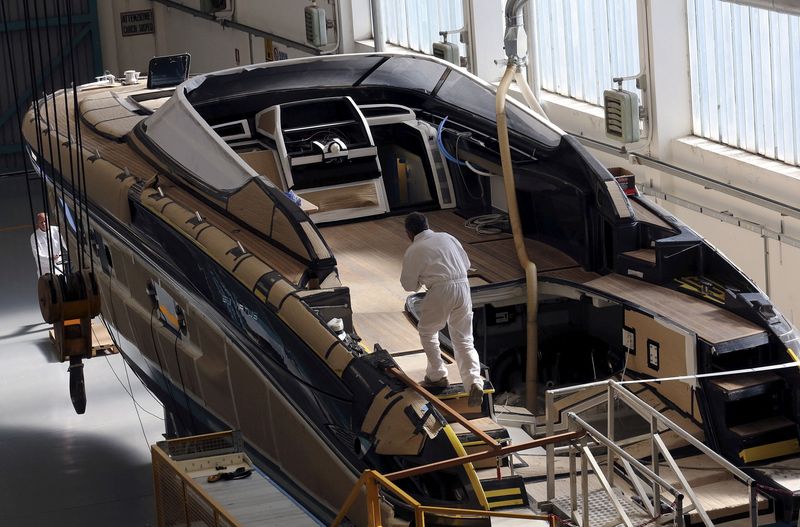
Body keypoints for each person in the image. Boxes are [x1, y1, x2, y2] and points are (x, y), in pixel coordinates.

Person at [400, 212, 484, 407]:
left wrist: (423, 278)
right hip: (463, 287)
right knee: (464, 338)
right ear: (428, 225)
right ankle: (473, 381)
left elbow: (408, 286)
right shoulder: (448, 237)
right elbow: (466, 264)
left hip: (440, 289)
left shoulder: (414, 250)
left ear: (408, 233)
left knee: (428, 331)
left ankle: (437, 375)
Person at [30, 212, 65, 276]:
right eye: (41, 222)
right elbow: (37, 255)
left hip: (59, 267)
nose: (43, 224)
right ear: (37, 223)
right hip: (44, 271)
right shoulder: (34, 236)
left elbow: (66, 245)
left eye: (45, 221)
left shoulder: (57, 230)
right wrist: (50, 258)